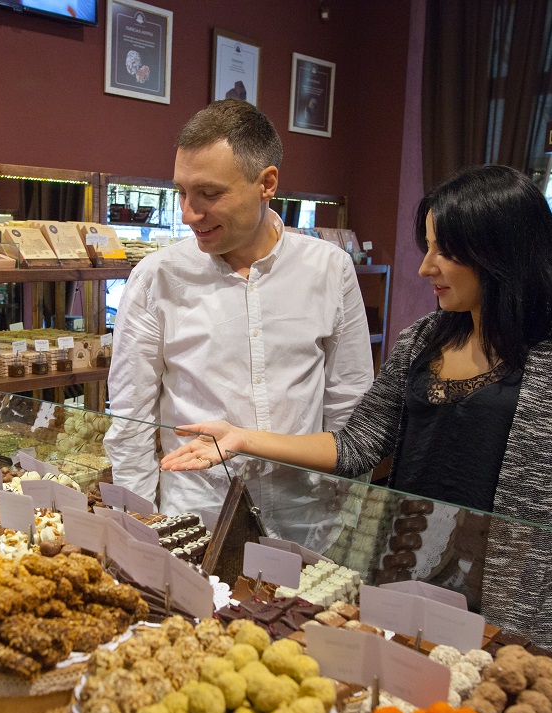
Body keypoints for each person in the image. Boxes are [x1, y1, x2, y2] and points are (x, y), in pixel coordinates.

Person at [162, 165, 552, 648]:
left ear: (501, 253)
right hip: (407, 577)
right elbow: (358, 445)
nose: (426, 267)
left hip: (510, 606)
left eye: (444, 251)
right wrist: (243, 438)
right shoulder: (422, 341)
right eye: (426, 247)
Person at [104, 99, 374, 527]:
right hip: (196, 516)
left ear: (266, 183)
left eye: (209, 194)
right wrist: (138, 526)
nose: (188, 213)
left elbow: (349, 402)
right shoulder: (157, 277)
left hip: (305, 518)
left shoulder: (330, 269)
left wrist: (348, 514)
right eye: (182, 192)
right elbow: (130, 420)